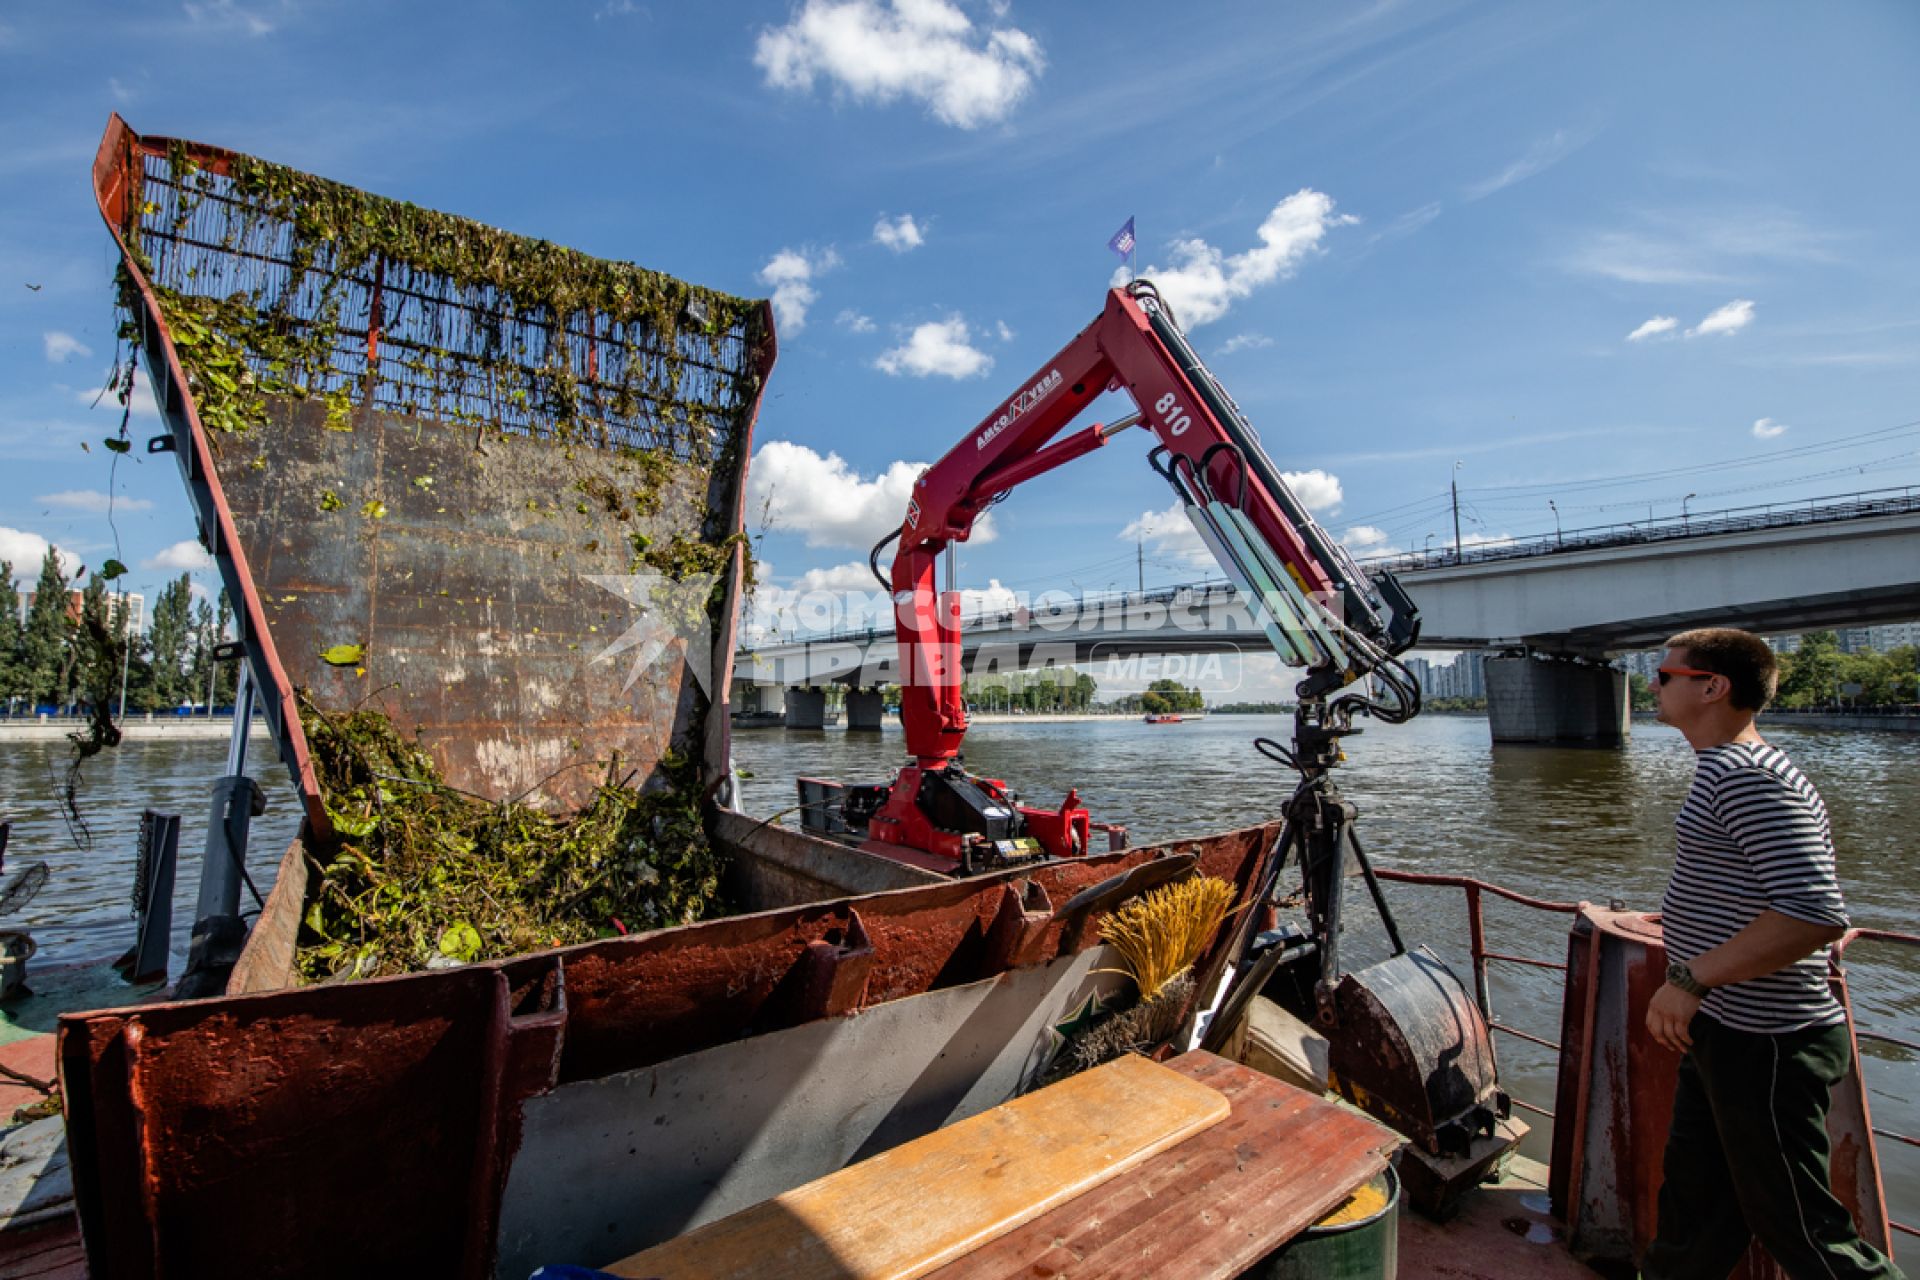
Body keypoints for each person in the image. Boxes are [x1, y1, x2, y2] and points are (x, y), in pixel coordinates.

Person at [1642, 627, 1902, 1279]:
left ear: (1711, 687)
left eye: (1665, 674)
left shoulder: (1748, 777)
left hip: (1768, 1043)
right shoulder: (1727, 769)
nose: (1653, 684)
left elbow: (1814, 914)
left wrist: (1691, 978)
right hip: (1728, 1031)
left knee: (1804, 1232)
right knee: (1695, 1215)